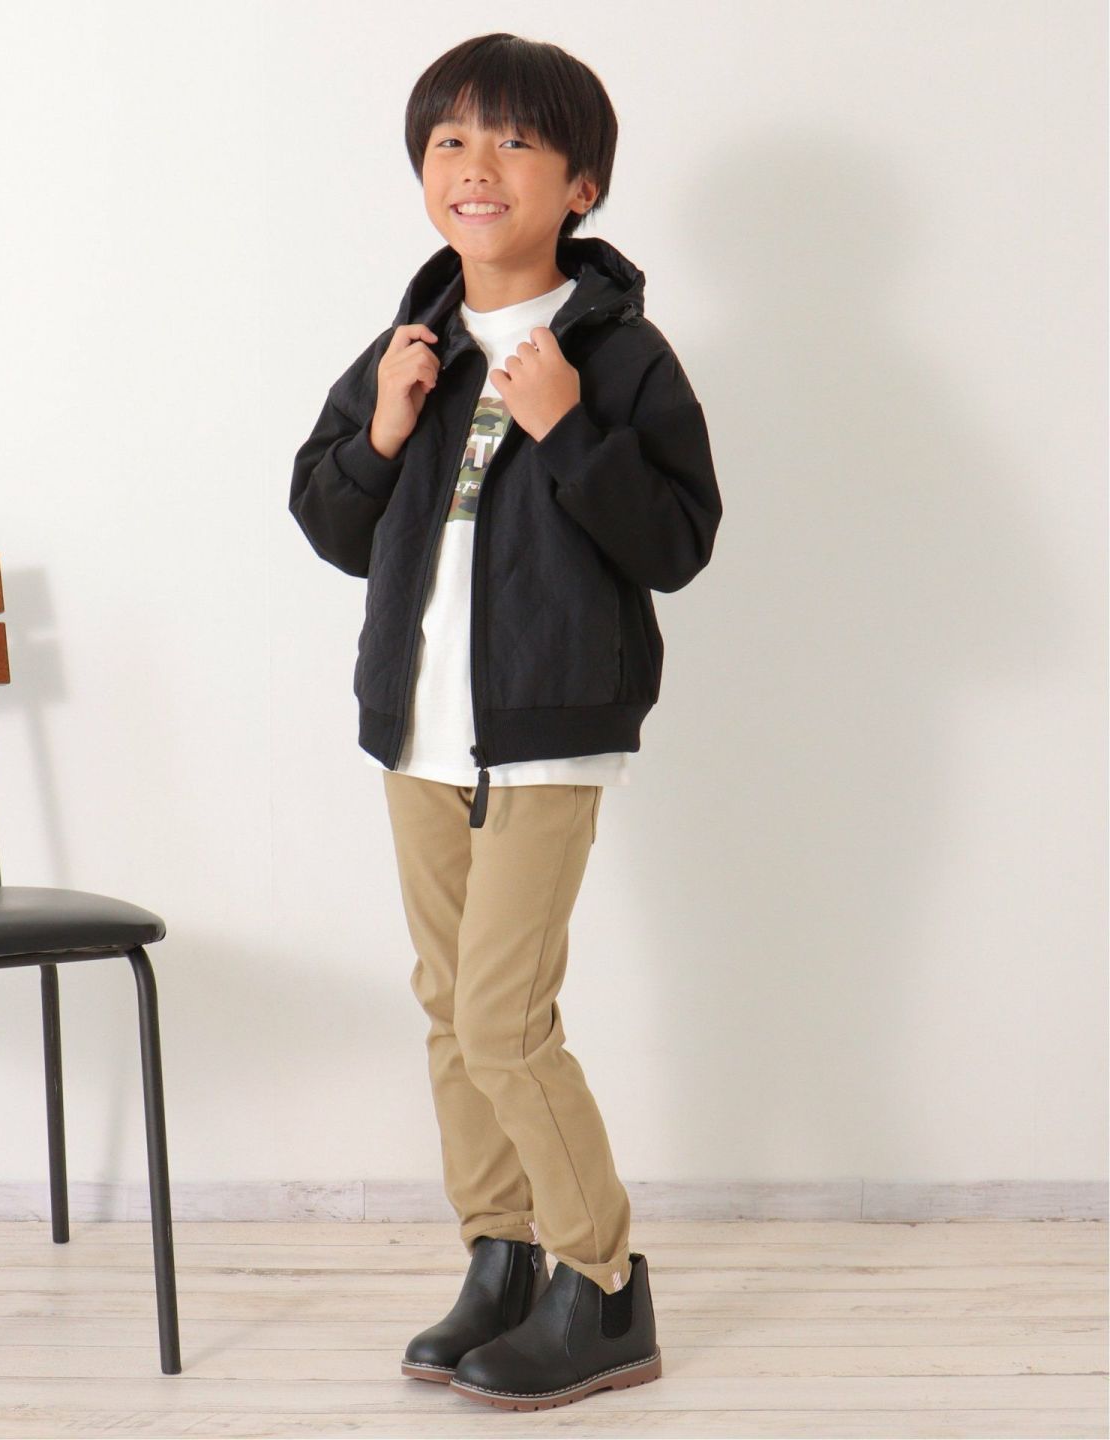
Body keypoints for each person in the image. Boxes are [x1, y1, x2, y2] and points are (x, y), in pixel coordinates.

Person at [288, 31, 722, 1413]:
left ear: (580, 185)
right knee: (448, 1008)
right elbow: (330, 522)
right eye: (450, 141)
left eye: (516, 141)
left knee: (502, 1019)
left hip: (545, 729)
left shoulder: (619, 355)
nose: (477, 166)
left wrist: (570, 429)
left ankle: (602, 1285)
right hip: (416, 731)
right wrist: (383, 431)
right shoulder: (407, 346)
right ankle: (501, 1255)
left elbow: (678, 543)